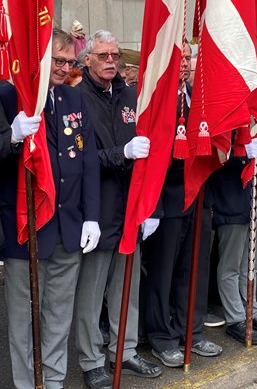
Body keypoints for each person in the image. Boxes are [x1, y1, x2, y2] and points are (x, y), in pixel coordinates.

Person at [0, 28, 101, 389]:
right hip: (25, 227)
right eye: (58, 61)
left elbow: (87, 159)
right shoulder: (10, 95)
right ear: (41, 59)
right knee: (25, 318)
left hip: (68, 226)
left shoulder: (73, 99)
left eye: (70, 63)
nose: (64, 69)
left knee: (59, 313)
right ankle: (29, 384)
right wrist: (11, 136)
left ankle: (54, 381)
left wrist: (91, 216)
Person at [74, 30, 161, 389]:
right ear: (88, 60)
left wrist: (149, 205)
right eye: (103, 56)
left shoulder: (130, 96)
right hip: (97, 208)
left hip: (130, 208)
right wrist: (119, 155)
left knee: (126, 285)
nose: (111, 61)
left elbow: (148, 149)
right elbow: (80, 160)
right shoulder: (76, 98)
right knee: (92, 293)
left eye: (115, 56)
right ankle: (92, 360)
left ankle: (123, 350)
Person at [143, 42, 222, 368]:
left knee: (195, 270)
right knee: (163, 273)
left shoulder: (197, 99)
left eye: (189, 58)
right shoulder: (158, 101)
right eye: (182, 58)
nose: (186, 64)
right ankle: (162, 336)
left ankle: (192, 329)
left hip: (198, 196)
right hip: (169, 198)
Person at [207, 130, 257, 345]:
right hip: (233, 193)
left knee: (251, 264)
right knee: (231, 265)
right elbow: (216, 153)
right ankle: (236, 318)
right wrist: (240, 154)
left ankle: (251, 309)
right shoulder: (229, 104)